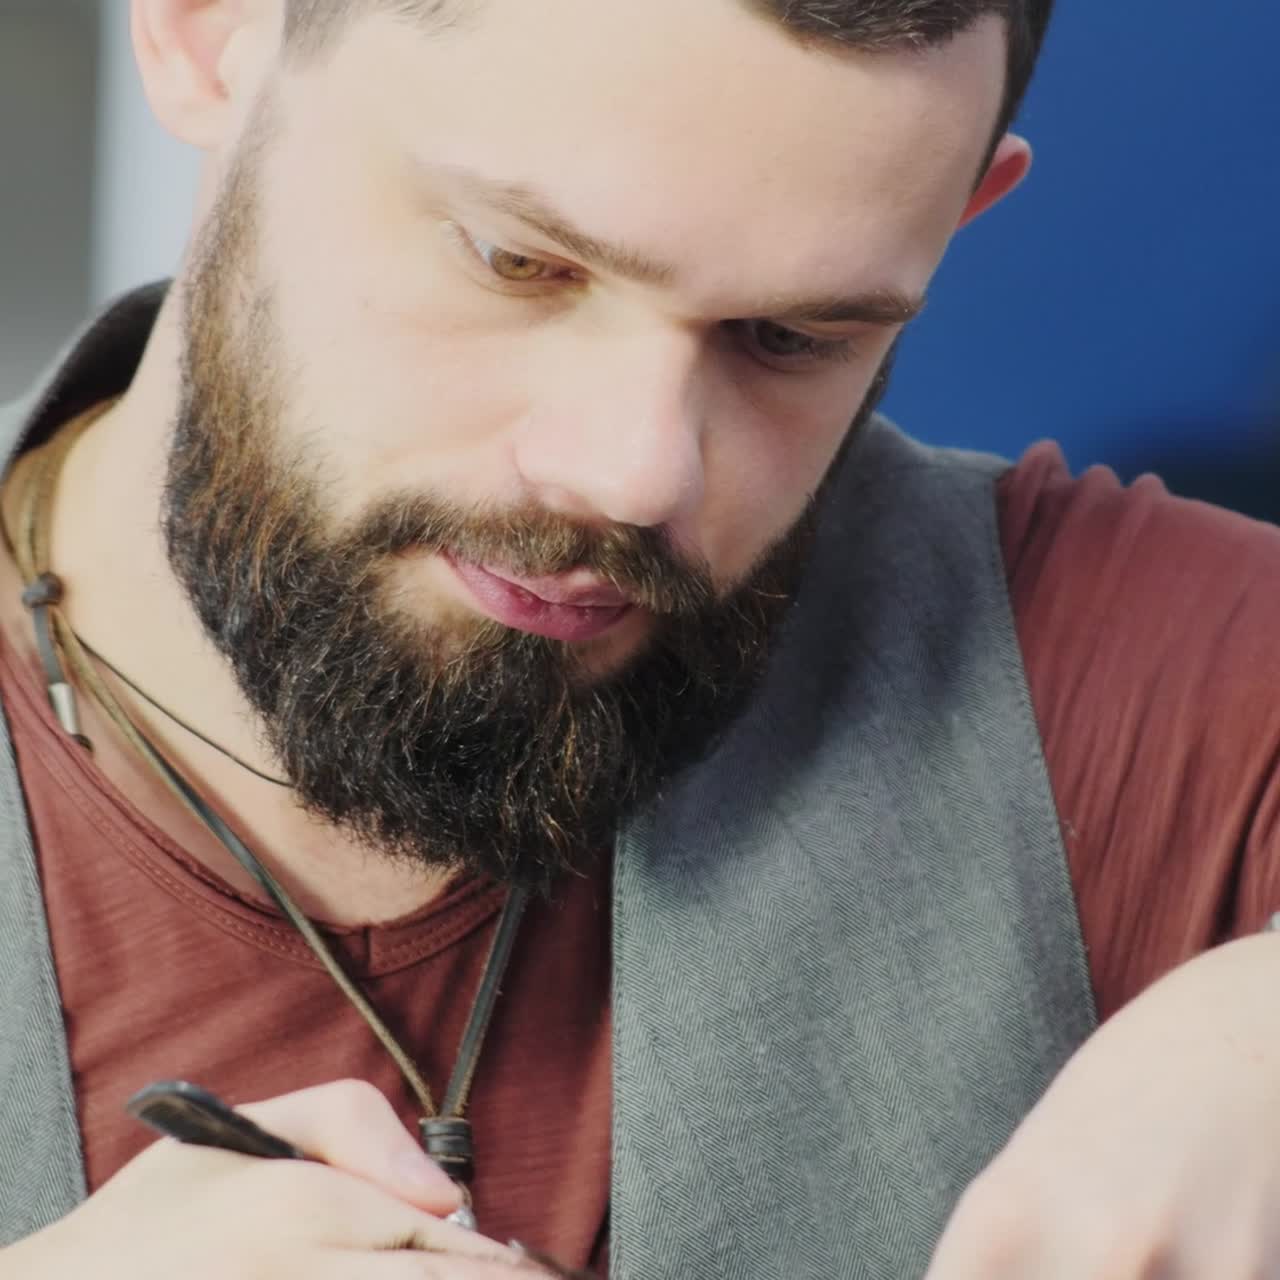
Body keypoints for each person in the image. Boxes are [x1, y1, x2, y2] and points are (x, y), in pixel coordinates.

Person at [2, 0, 1279, 1276]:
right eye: (516, 261)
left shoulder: (1105, 668)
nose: (633, 473)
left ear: (954, 219)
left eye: (791, 338)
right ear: (206, 32)